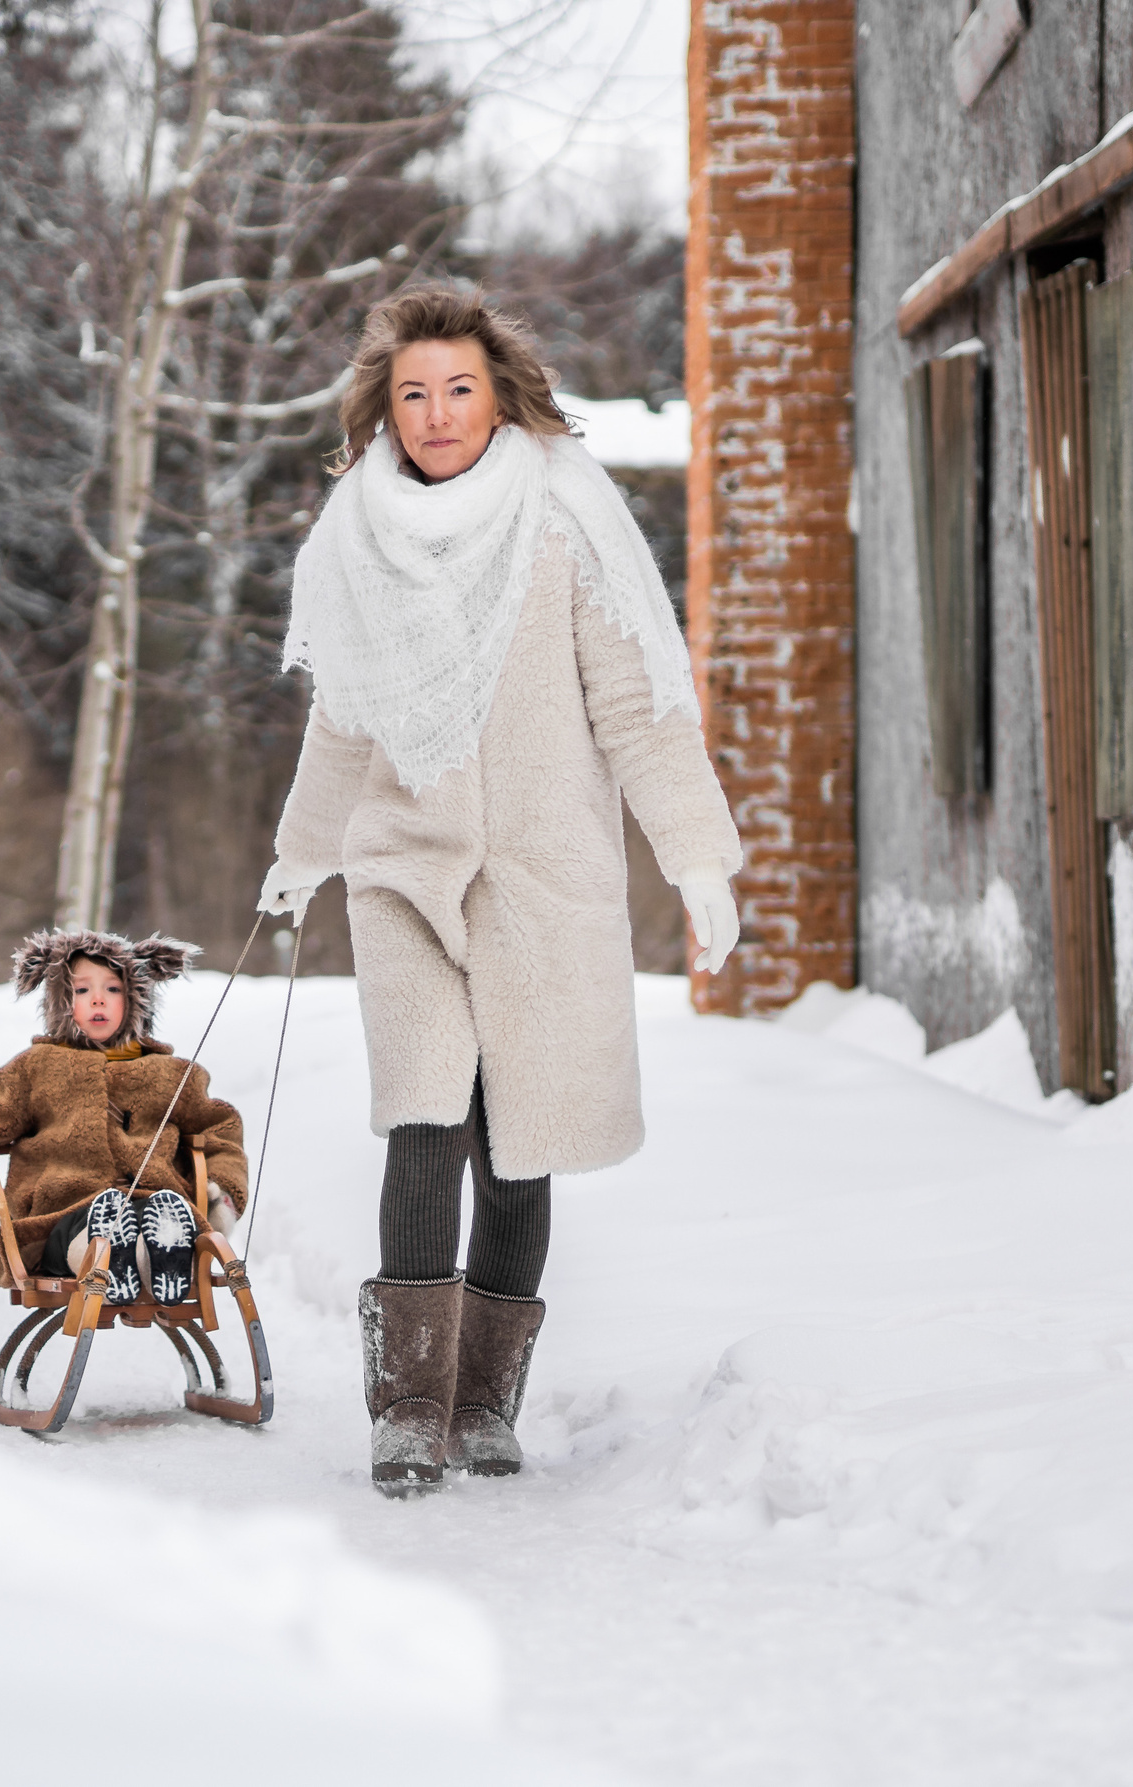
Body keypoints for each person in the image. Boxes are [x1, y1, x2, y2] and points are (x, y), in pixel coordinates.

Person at [258, 287, 741, 1495]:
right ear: (387, 406)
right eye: (413, 392)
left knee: (514, 1138)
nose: (435, 413)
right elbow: (344, 721)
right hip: (404, 872)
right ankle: (405, 1407)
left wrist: (695, 854)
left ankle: (482, 1401)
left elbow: (636, 707)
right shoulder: (359, 535)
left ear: (499, 393)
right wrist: (299, 852)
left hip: (540, 873)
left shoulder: (564, 525)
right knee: (424, 1116)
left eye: (458, 388)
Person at [0, 928, 247, 1309]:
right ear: (60, 999)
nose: (99, 999)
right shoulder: (35, 1069)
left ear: (137, 997)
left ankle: (157, 1253)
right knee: (95, 1224)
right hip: (62, 1215)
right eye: (82, 990)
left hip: (155, 1202)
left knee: (161, 1211)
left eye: (114, 989)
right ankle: (108, 1256)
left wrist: (222, 1196)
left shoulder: (172, 1075)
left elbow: (220, 1127)